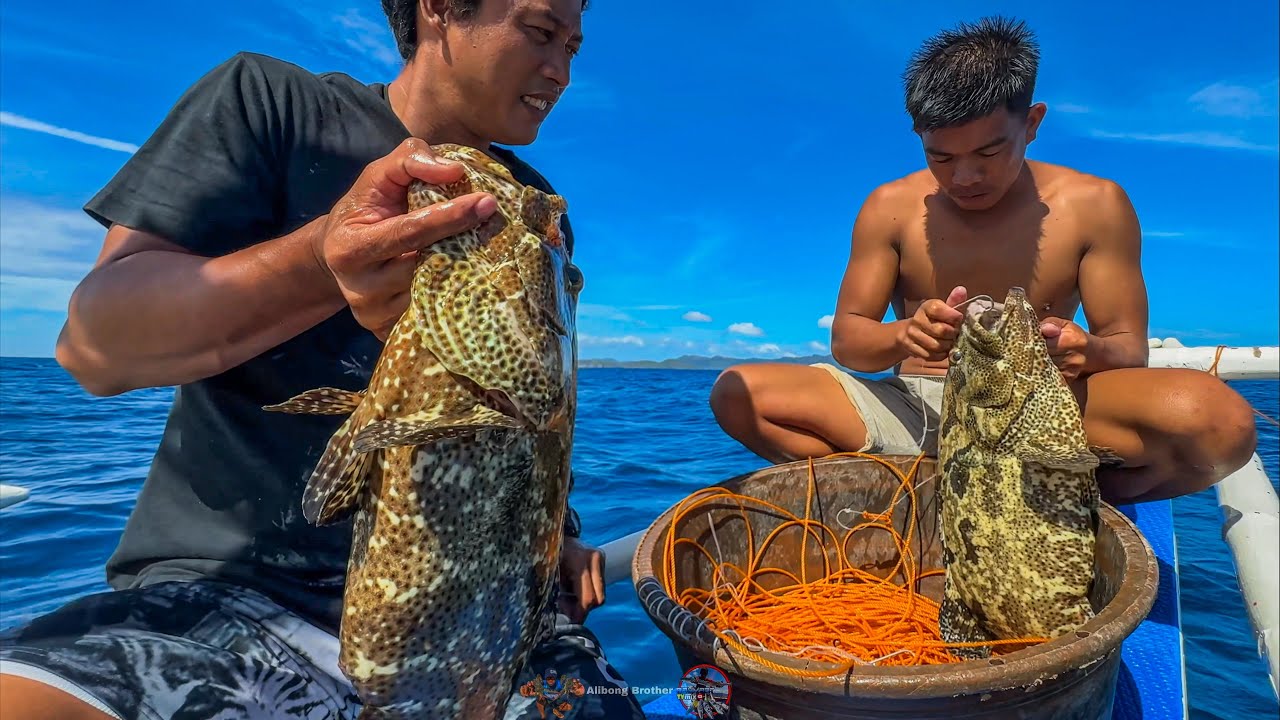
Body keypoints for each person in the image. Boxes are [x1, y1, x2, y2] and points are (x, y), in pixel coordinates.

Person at [0, 1, 647, 719]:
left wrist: (559, 535)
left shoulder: (535, 211)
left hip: (488, 611)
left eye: (573, 47)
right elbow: (95, 348)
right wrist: (317, 262)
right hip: (242, 593)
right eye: (539, 31)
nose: (559, 69)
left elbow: (535, 406)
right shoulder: (272, 103)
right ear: (438, 10)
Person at [709, 16, 1257, 506]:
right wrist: (906, 337)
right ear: (919, 137)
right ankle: (905, 500)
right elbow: (850, 341)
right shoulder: (888, 208)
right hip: (919, 410)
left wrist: (1085, 349)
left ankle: (1074, 503)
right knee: (738, 395)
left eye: (988, 153)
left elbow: (1126, 347)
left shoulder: (1097, 205)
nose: (964, 177)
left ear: (1033, 123)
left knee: (1220, 426)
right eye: (940, 157)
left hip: (1045, 409)